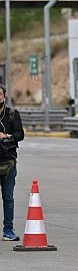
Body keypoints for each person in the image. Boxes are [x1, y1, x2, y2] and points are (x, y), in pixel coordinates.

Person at [0, 85, 24, 241]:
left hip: (8, 162)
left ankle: (8, 229)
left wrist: (7, 136)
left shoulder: (12, 114)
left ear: (4, 96)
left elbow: (20, 134)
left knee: (8, 198)